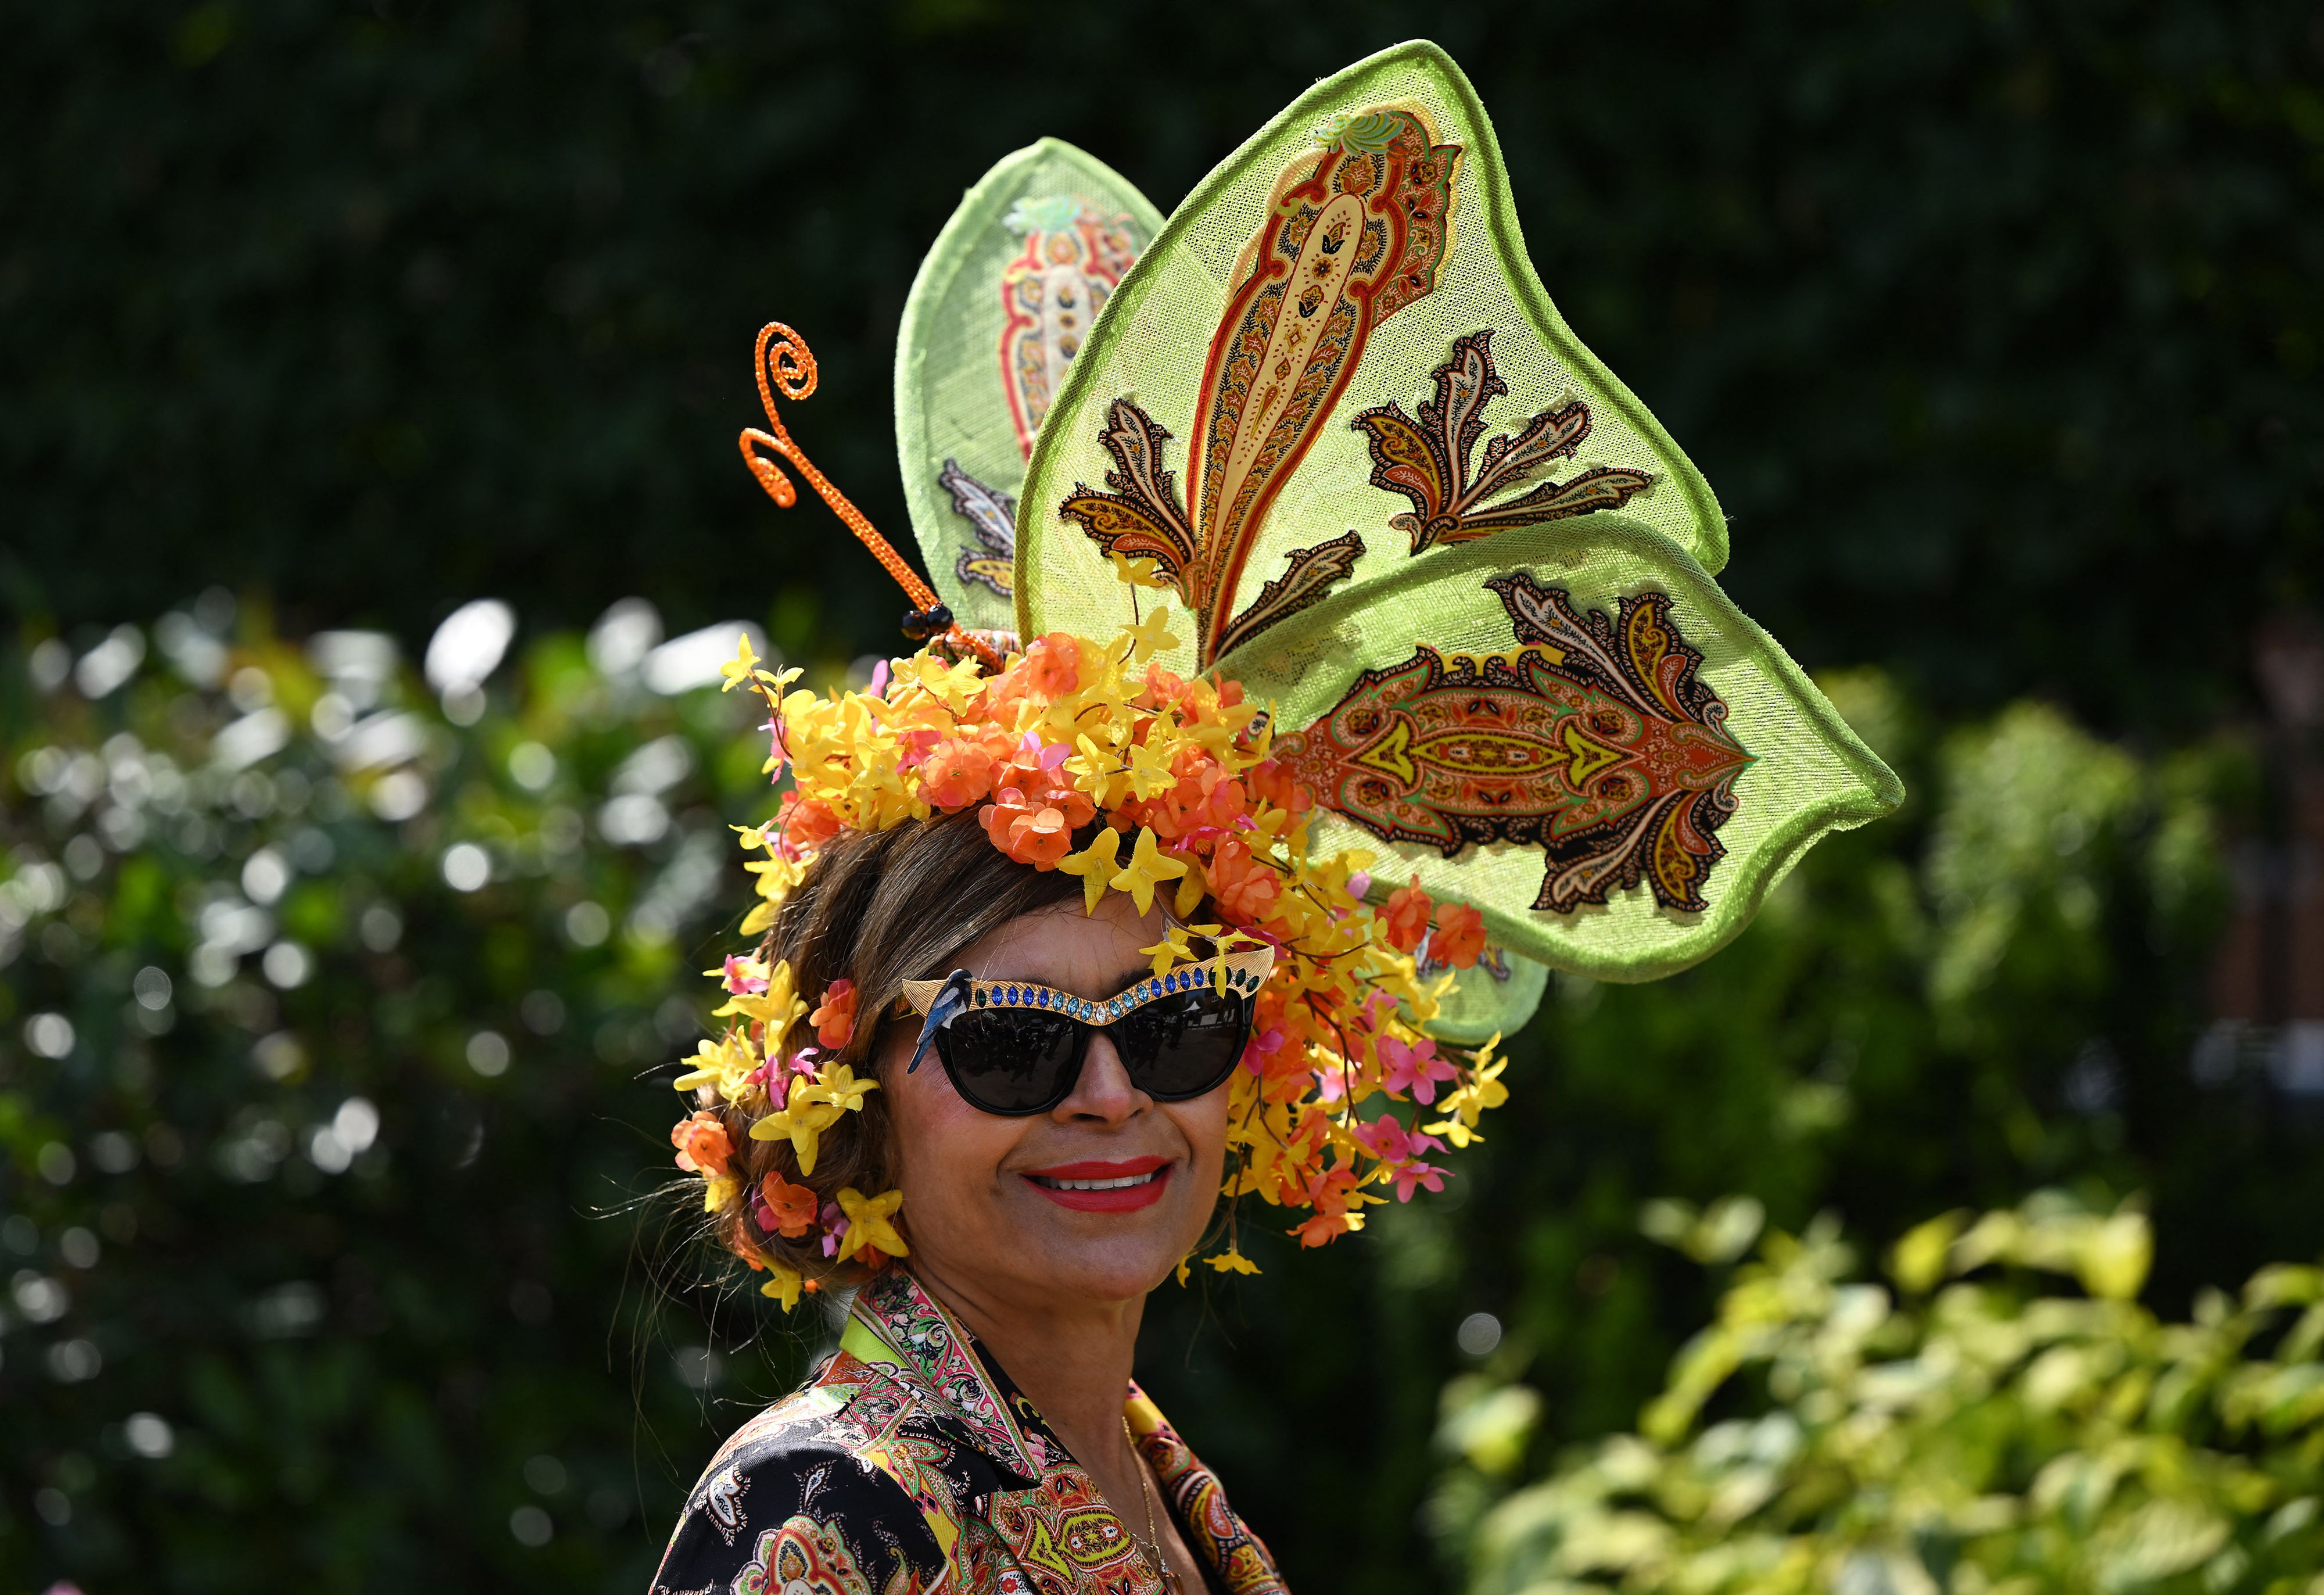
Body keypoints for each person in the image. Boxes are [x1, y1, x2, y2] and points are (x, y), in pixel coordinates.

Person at [651, 38, 1896, 1594]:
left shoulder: (1144, 1473)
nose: (1111, 1095)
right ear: (855, 1089)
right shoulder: (831, 1512)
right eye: (1013, 1036)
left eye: (1177, 1021)